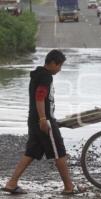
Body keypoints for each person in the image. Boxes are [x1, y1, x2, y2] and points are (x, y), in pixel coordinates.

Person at [1, 50, 86, 195]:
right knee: (59, 152)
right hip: (43, 120)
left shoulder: (38, 74)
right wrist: (43, 119)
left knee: (32, 152)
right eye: (60, 66)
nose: (60, 69)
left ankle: (11, 183)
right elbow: (40, 97)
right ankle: (69, 187)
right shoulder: (45, 77)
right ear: (53, 63)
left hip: (33, 119)